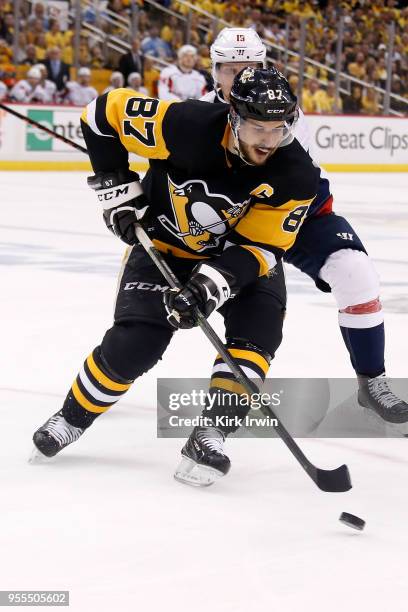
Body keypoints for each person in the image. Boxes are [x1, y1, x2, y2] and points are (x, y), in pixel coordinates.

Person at [31, 68, 318, 487]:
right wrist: (118, 189)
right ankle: (71, 418)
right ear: (234, 117)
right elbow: (101, 114)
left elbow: (262, 248)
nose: (268, 141)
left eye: (278, 129)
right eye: (257, 128)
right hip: (164, 247)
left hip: (239, 261)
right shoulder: (186, 126)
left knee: (256, 340)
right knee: (135, 346)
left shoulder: (296, 173)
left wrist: (210, 287)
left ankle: (209, 434)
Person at [204, 27, 408, 436]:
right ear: (215, 72)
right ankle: (121, 367)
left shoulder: (288, 113)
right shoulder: (198, 117)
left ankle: (371, 382)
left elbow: (304, 180)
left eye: (251, 66)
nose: (241, 74)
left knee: (356, 273)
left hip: (294, 214)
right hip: (232, 226)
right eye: (231, 68)